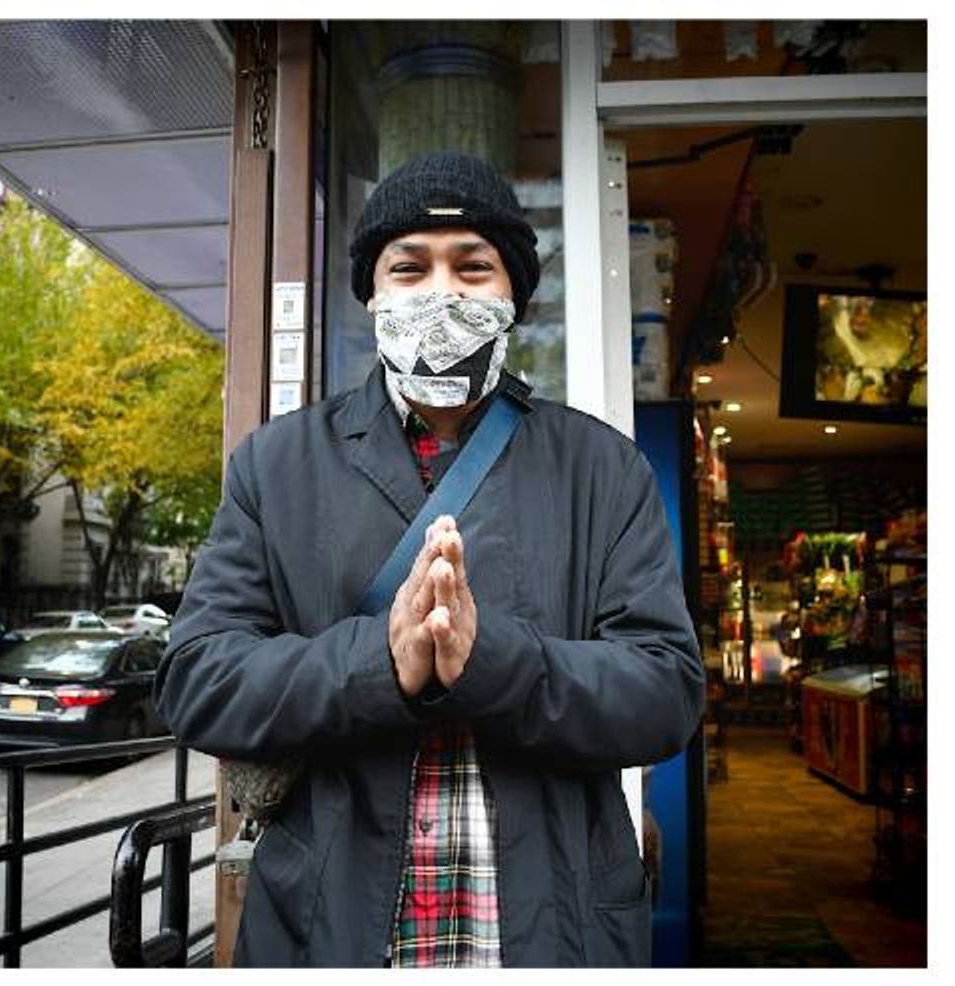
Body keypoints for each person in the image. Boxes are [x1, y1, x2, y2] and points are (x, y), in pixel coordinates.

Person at [155, 152, 703, 967]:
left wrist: (495, 663)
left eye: (473, 267)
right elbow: (197, 680)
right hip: (329, 931)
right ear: (373, 294)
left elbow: (665, 691)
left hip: (554, 934)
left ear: (512, 295)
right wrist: (382, 661)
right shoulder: (277, 466)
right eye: (409, 268)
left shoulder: (602, 468)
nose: (441, 293)